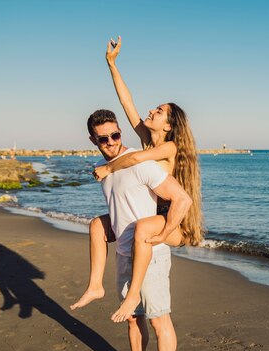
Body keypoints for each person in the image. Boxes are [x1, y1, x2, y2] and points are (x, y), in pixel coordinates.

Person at [70, 36, 204, 322]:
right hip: (148, 212)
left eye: (159, 111)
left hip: (168, 218)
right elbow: (126, 101)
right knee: (97, 225)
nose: (152, 110)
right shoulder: (146, 138)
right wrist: (112, 64)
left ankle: (133, 297)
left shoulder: (168, 148)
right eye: (155, 107)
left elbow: (136, 159)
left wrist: (109, 168)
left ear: (169, 125)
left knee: (143, 228)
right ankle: (95, 285)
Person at [86, 109, 191, 351]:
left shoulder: (145, 160)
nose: (110, 142)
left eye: (115, 135)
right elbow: (129, 104)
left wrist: (166, 231)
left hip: (153, 247)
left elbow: (182, 198)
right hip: (126, 252)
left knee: (159, 320)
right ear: (93, 140)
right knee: (134, 319)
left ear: (121, 133)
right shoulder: (103, 168)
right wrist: (112, 65)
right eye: (103, 138)